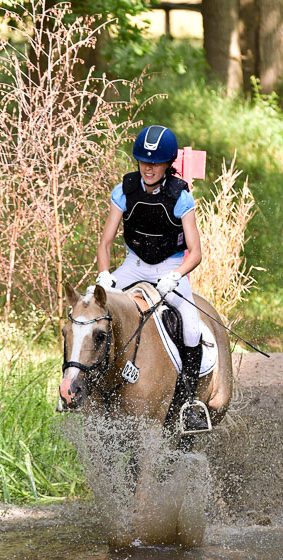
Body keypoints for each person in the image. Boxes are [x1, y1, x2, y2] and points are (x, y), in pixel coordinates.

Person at [94, 124, 205, 426]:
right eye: (144, 161)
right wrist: (104, 275)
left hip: (171, 267)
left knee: (192, 328)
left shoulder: (180, 197)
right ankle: (84, 385)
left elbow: (195, 252)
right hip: (133, 264)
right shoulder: (125, 190)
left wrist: (176, 276)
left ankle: (188, 403)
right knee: (93, 308)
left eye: (155, 162)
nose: (148, 167)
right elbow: (105, 243)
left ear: (168, 164)